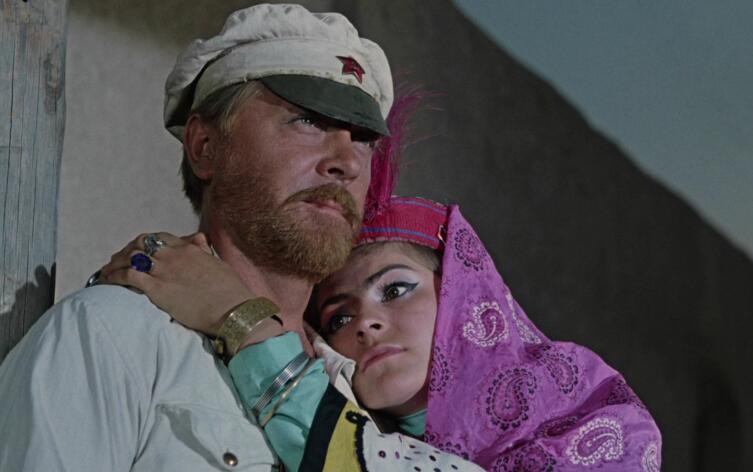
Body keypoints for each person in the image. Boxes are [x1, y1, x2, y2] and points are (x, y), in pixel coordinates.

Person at [0, 4, 452, 471]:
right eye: (308, 121)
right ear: (205, 147)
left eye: (362, 138)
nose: (348, 162)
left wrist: (244, 322)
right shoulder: (113, 335)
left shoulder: (372, 405)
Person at [98, 196, 663, 471]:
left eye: (395, 289)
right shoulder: (301, 425)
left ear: (468, 295)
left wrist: (242, 321)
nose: (365, 323)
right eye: (339, 318)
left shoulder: (597, 423)